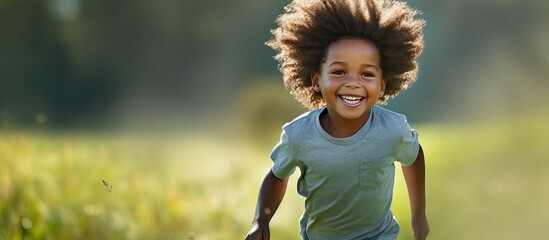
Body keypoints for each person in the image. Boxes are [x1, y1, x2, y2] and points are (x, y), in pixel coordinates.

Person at [245, 0, 429, 239]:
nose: (353, 83)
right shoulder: (298, 135)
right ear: (316, 80)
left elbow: (413, 157)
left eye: (366, 74)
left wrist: (419, 214)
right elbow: (277, 175)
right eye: (339, 72)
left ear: (382, 85)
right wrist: (261, 221)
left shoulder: (392, 130)